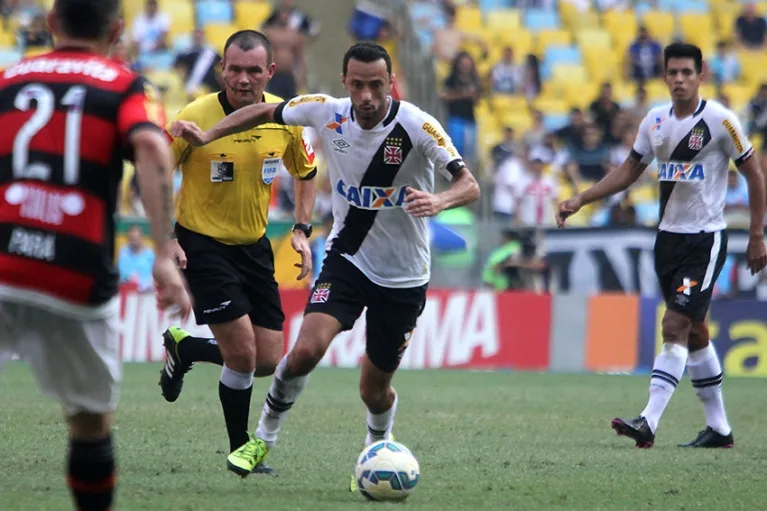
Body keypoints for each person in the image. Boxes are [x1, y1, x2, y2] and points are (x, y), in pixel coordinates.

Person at [169, 42, 480, 478]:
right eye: (358, 85)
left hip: (404, 275)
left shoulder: (417, 124)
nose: (367, 96)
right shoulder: (324, 110)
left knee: (375, 391)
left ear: (390, 84)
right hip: (347, 259)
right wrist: (208, 135)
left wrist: (440, 199)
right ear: (344, 83)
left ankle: (375, 451)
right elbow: (261, 112)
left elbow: (469, 184)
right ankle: (261, 440)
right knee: (303, 353)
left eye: (376, 85)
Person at [0, 0, 191, 510]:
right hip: (74, 271)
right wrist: (163, 254)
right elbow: (152, 149)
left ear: (51, 24)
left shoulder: (9, 78)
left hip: (3, 258)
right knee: (88, 422)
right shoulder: (124, 84)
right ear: (117, 30)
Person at [557, 43, 767, 449]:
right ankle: (720, 430)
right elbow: (627, 171)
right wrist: (581, 199)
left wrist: (758, 234)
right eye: (672, 72)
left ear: (700, 74)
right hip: (667, 239)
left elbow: (755, 175)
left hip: (705, 241)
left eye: (687, 72)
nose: (679, 79)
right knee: (695, 332)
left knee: (673, 325)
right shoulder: (654, 122)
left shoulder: (720, 120)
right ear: (664, 75)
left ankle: (648, 422)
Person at [158, 30, 318, 473]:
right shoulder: (194, 116)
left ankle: (186, 349)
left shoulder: (284, 117)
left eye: (253, 70)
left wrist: (303, 229)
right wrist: (165, 238)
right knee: (244, 354)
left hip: (254, 246)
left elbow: (307, 171)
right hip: (201, 245)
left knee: (267, 360)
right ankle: (240, 450)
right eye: (235, 69)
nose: (243, 79)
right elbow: (153, 173)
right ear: (221, 69)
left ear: (269, 72)